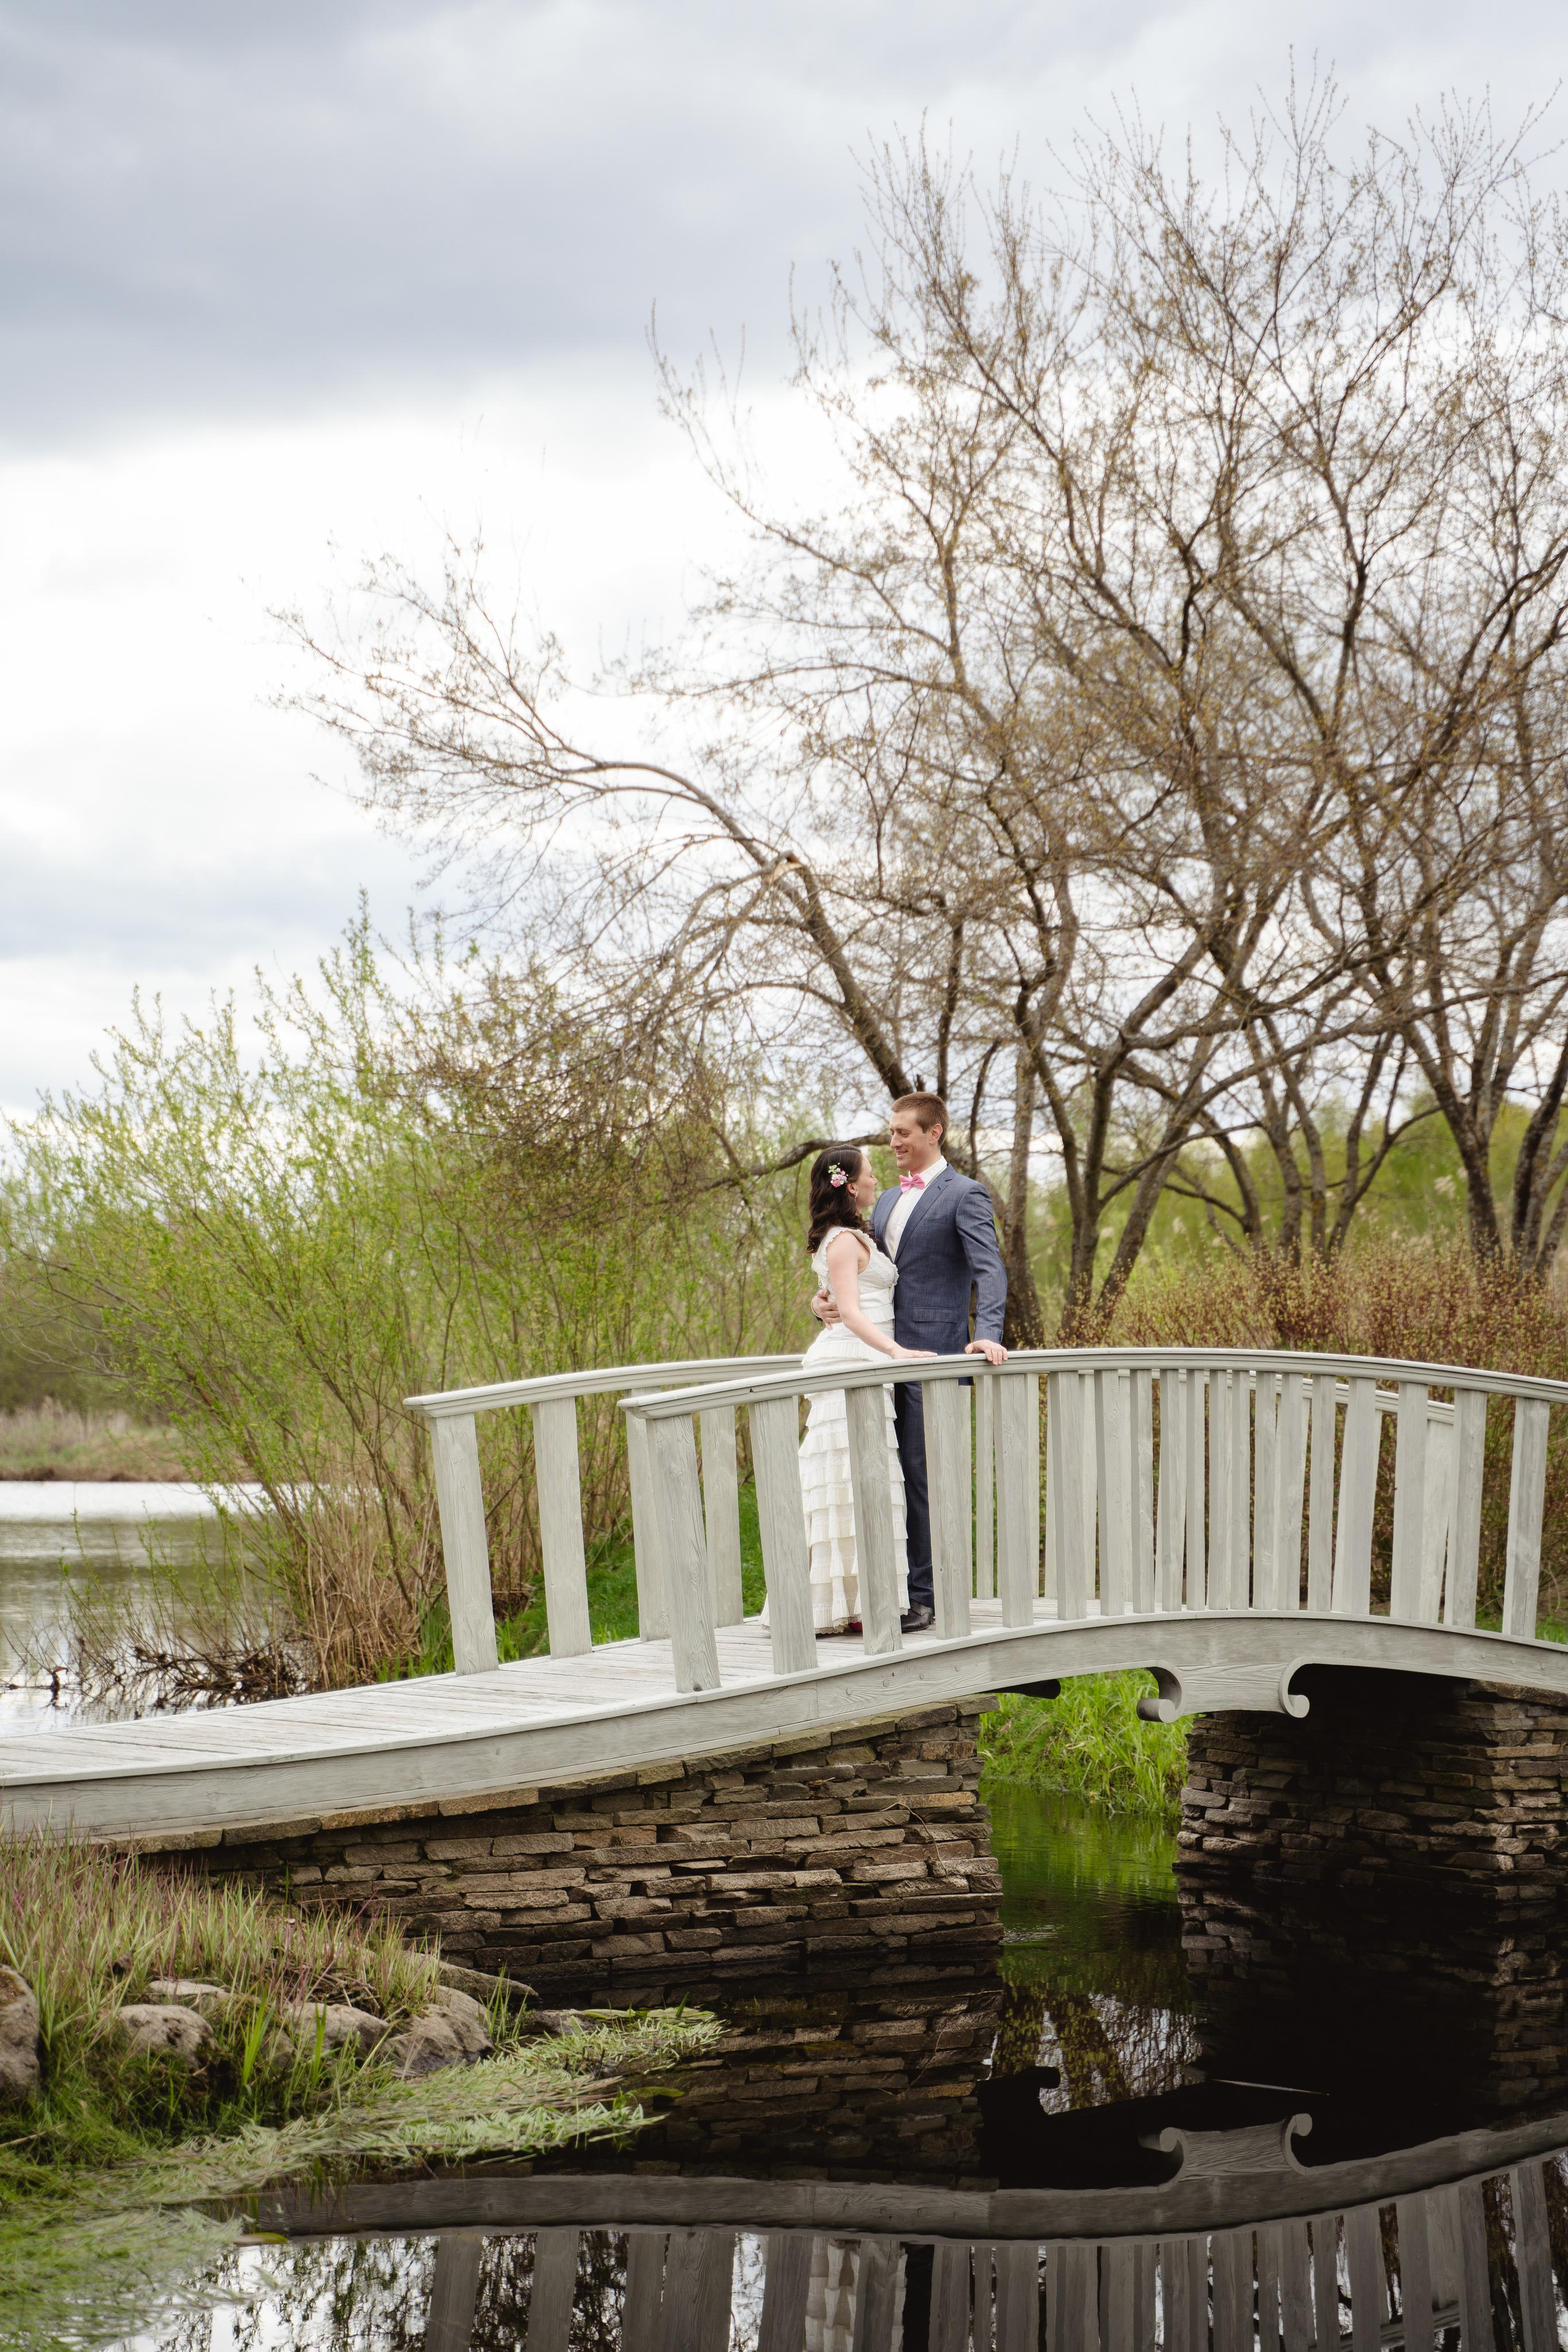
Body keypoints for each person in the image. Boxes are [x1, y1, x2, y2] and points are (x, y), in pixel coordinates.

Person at [812, 1093, 1007, 1631]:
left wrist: (987, 1334)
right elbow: (866, 1278)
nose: (894, 1141)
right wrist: (823, 1302)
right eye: (891, 1132)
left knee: (921, 1476)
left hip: (932, 1357)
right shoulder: (886, 1202)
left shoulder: (965, 1195)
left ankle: (927, 1598)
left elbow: (989, 1271)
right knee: (884, 1477)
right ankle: (888, 1591)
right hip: (878, 1359)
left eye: (903, 1132)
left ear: (934, 1132)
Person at [791, 1144, 936, 1634]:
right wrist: (897, 1352)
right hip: (856, 1360)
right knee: (846, 1481)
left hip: (863, 1357)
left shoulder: (850, 1236)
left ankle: (855, 1602)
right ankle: (838, 1604)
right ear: (850, 1185)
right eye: (870, 1174)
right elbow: (850, 1311)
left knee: (858, 1481)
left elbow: (840, 1295)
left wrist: (820, 1303)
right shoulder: (846, 1240)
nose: (877, 1179)